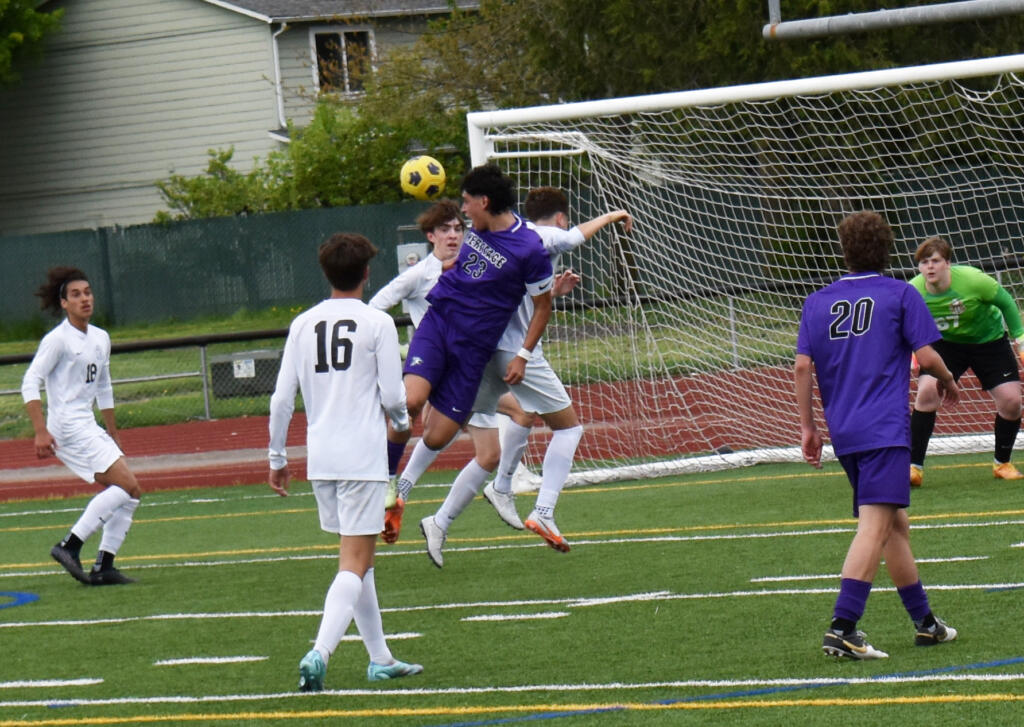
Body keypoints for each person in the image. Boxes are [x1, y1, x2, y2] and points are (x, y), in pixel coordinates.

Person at [418, 187, 634, 566]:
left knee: (495, 436)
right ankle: (542, 509)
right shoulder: (536, 237)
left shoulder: (495, 241)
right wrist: (613, 215)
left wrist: (554, 290)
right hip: (510, 352)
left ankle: (443, 516)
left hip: (478, 350)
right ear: (560, 217)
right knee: (568, 428)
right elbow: (570, 239)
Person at [795, 211, 959, 659]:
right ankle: (843, 628)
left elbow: (803, 367)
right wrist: (948, 380)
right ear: (888, 249)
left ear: (843, 250)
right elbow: (926, 354)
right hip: (884, 429)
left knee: (893, 526)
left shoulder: (817, 301)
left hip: (845, 431)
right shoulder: (901, 293)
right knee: (875, 526)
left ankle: (925, 623)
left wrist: (808, 427)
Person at [267, 233, 422, 691]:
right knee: (354, 562)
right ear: (368, 273)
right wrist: (399, 421)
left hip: (323, 459)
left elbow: (281, 399)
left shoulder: (302, 323)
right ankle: (320, 652)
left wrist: (277, 455)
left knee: (361, 558)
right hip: (362, 456)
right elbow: (395, 397)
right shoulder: (377, 322)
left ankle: (380, 658)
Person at [381, 164, 555, 543]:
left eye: (461, 216)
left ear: (484, 203)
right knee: (411, 402)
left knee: (440, 437)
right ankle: (388, 480)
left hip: (473, 354)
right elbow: (378, 306)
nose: (457, 226)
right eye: (446, 227)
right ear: (431, 235)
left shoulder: (513, 242)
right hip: (438, 331)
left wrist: (602, 221)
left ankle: (479, 494)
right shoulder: (423, 271)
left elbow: (559, 248)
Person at [21, 267, 142, 586]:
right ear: (63, 303)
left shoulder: (101, 337)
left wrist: (112, 430)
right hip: (68, 426)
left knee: (131, 493)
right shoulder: (58, 340)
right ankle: (70, 546)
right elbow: (30, 381)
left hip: (87, 424)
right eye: (76, 295)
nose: (84, 299)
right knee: (126, 486)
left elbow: (104, 385)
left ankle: (104, 566)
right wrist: (40, 431)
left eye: (87, 292)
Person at [908, 236, 1024, 486]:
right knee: (926, 392)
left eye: (936, 261)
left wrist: (1020, 339)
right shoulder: (913, 291)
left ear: (948, 264)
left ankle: (1002, 463)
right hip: (946, 346)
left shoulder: (973, 280)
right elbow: (903, 324)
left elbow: (1006, 303)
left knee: (1012, 402)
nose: (930, 267)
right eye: (924, 262)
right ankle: (913, 468)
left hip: (989, 342)